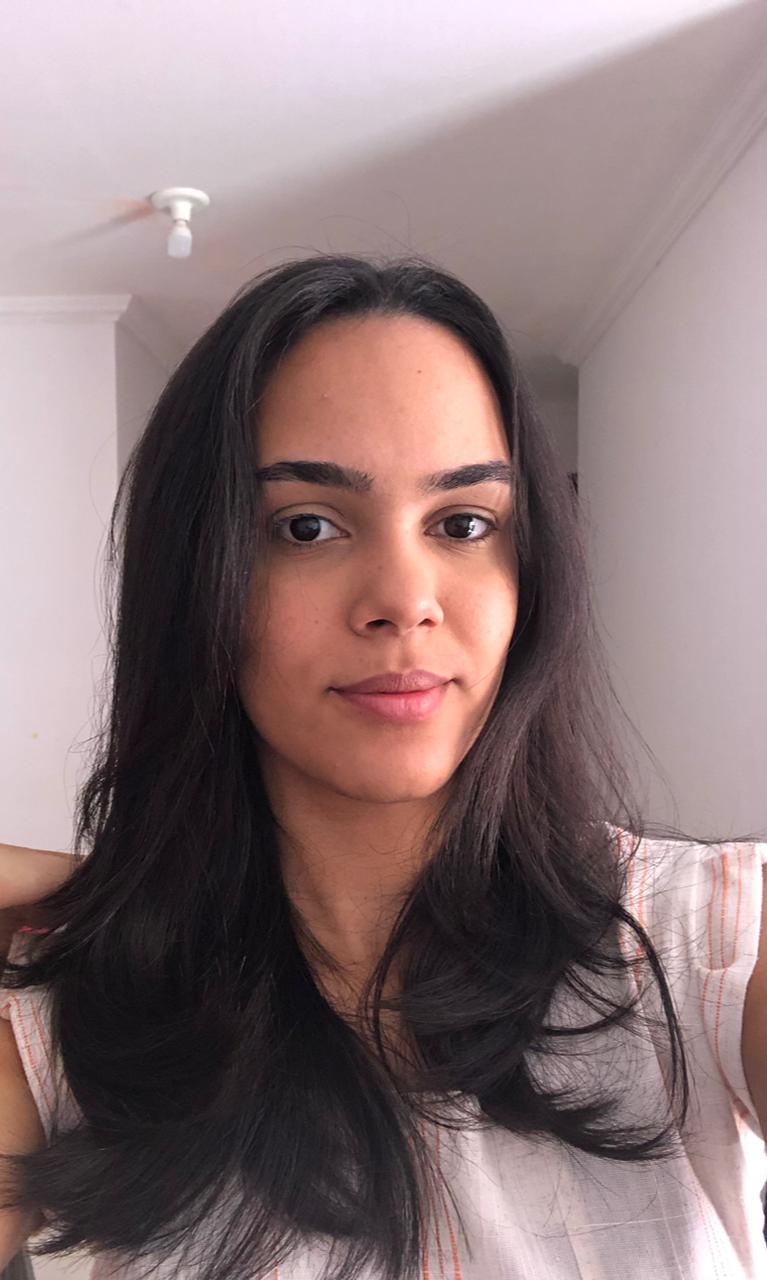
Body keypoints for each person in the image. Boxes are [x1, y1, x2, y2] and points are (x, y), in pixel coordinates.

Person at [0, 254, 765, 1280]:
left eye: (463, 523)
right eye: (306, 526)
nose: (404, 599)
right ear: (198, 578)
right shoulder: (76, 1017)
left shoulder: (706, 942)